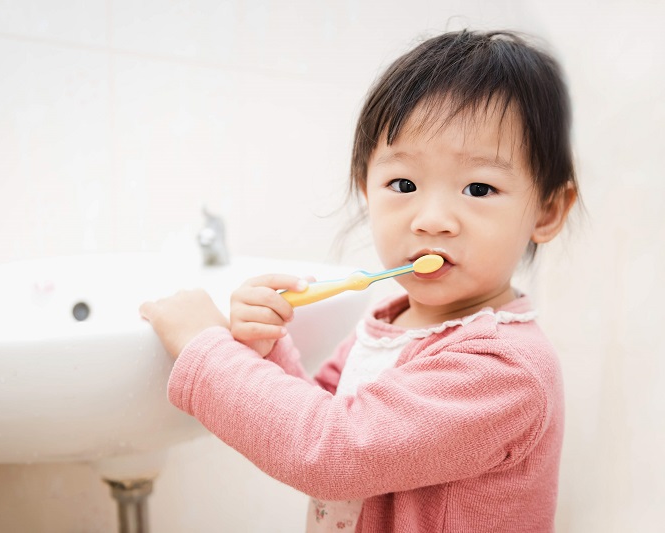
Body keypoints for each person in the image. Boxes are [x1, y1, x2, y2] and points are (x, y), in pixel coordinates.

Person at [140, 29, 578, 532]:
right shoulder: (393, 321)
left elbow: (333, 452)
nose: (432, 219)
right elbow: (326, 412)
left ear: (546, 210)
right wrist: (267, 345)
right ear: (365, 188)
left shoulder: (503, 369)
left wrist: (205, 350)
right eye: (404, 184)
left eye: (479, 188)